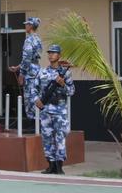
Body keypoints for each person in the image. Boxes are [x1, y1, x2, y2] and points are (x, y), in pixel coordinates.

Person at [32, 44, 75, 175]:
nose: (51, 55)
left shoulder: (65, 73)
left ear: (59, 55)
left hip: (60, 112)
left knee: (60, 138)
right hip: (45, 111)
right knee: (47, 138)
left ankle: (59, 166)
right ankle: (50, 165)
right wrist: (36, 100)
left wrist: (62, 85)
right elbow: (34, 88)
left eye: (54, 53)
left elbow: (71, 91)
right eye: (49, 53)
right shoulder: (42, 72)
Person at [9, 17, 43, 121]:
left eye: (27, 24)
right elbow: (32, 58)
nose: (25, 26)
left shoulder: (29, 40)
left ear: (31, 26)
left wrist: (21, 74)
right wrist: (18, 67)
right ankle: (37, 122)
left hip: (29, 72)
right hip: (37, 69)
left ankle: (32, 122)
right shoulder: (38, 39)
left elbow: (27, 58)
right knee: (37, 95)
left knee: (29, 98)